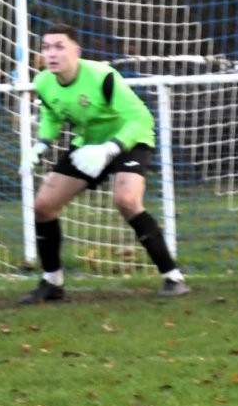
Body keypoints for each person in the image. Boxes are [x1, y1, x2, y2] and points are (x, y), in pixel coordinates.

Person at [18, 23, 191, 304]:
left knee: (126, 200)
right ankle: (52, 282)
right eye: (46, 47)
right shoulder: (44, 82)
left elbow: (141, 119)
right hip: (88, 146)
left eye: (59, 46)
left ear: (76, 51)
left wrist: (111, 148)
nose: (51, 53)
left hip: (129, 140)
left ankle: (173, 277)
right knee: (43, 206)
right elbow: (52, 116)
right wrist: (41, 144)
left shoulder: (102, 76)